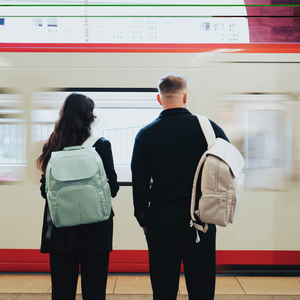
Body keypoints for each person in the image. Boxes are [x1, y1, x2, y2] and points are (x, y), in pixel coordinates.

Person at [131, 74, 229, 300]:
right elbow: (229, 166)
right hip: (201, 222)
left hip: (161, 224)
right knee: (202, 289)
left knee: (164, 290)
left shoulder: (146, 134)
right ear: (185, 96)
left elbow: (140, 185)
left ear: (159, 99)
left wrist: (144, 220)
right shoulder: (209, 129)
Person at [36, 93, 119, 300]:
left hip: (61, 231)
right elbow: (113, 188)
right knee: (94, 288)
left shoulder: (52, 146)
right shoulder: (101, 145)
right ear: (89, 117)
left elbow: (44, 191)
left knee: (62, 290)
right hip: (97, 229)